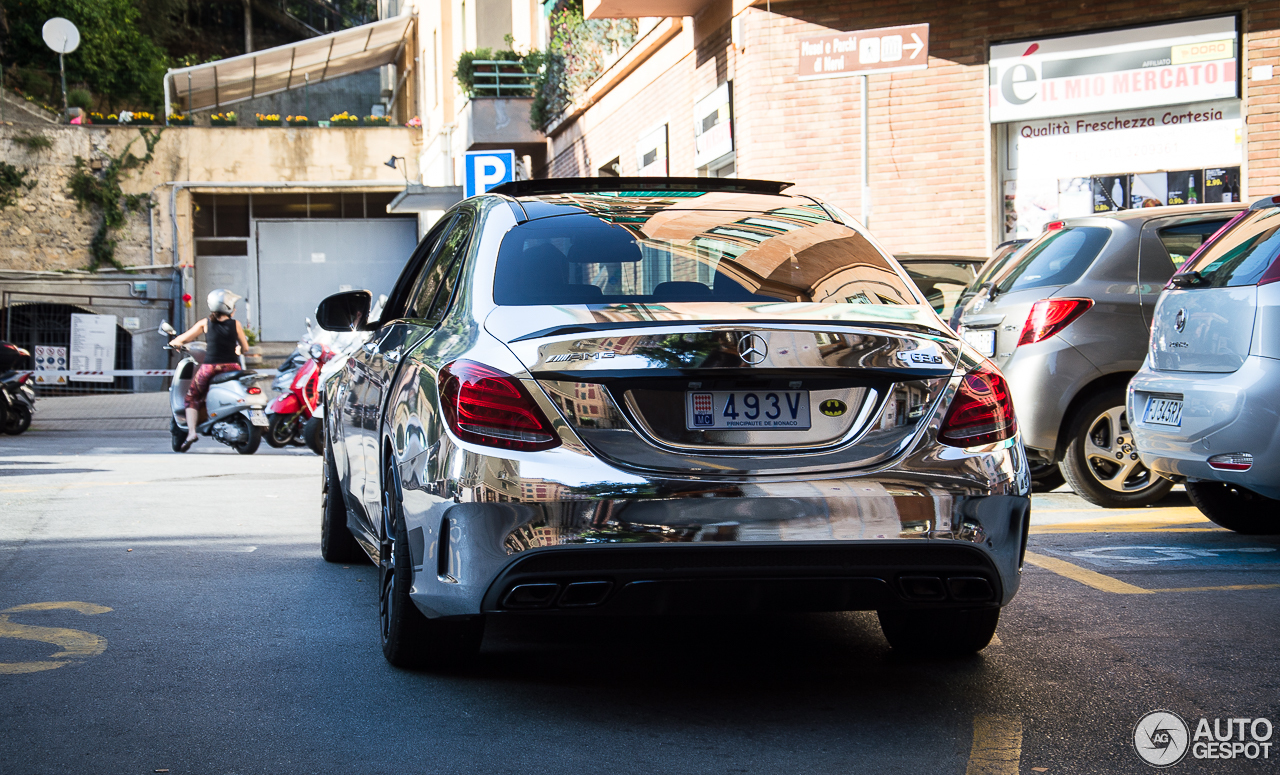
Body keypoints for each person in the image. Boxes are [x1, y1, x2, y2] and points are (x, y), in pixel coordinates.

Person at [169, 289, 250, 451]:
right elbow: (245, 347)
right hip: (232, 367)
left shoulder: (205, 323)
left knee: (191, 397)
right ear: (228, 307)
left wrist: (175, 343)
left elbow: (183, 338)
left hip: (210, 367)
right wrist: (239, 350)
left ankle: (191, 432)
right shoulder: (236, 324)